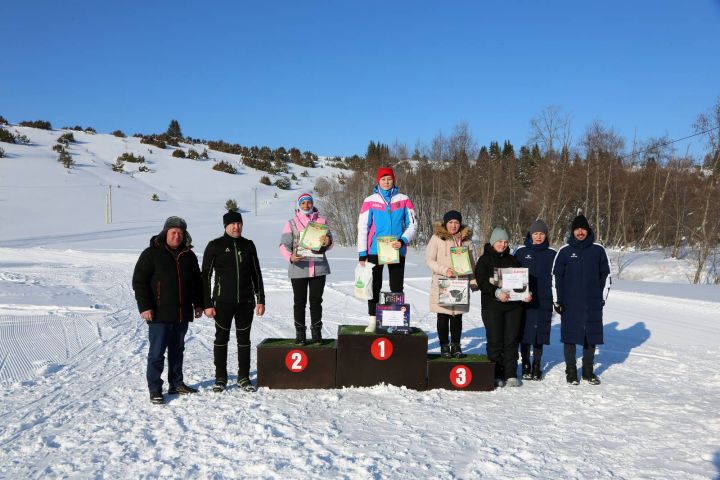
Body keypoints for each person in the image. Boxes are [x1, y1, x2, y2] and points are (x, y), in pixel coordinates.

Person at [132, 216, 203, 404]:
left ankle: (176, 383)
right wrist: (145, 306)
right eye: (173, 232)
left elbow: (197, 283)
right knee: (156, 353)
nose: (177, 236)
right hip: (159, 314)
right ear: (165, 233)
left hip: (182, 313)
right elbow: (139, 282)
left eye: (180, 233)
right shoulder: (151, 254)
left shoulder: (189, 256)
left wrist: (199, 304)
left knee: (177, 350)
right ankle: (155, 388)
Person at [201, 210, 265, 393]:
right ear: (225, 226)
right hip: (222, 302)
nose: (237, 227)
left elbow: (256, 274)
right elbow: (205, 276)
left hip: (245, 302)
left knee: (244, 339)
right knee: (221, 338)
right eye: (233, 224)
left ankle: (243, 377)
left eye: (239, 223)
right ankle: (220, 377)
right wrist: (207, 303)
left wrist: (260, 299)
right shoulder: (215, 245)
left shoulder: (248, 245)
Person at [552, 214, 611, 385]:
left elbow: (606, 276)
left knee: (590, 337)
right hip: (570, 304)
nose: (580, 232)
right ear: (572, 232)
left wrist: (602, 299)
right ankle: (571, 371)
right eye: (577, 229)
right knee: (570, 337)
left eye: (583, 229)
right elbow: (556, 277)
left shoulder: (598, 250)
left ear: (588, 231)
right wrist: (558, 301)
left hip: (592, 303)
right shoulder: (565, 251)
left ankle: (587, 371)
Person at [357, 167, 417, 332]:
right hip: (375, 250)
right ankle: (372, 320)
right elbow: (363, 227)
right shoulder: (370, 200)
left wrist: (403, 240)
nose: (386, 182)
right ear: (378, 181)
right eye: (383, 179)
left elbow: (413, 224)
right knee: (373, 286)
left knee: (396, 286)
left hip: (396, 248)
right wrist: (362, 253)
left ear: (393, 180)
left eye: (389, 179)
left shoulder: (404, 199)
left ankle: (396, 320)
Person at [474, 227, 532, 387]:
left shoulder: (513, 260)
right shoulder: (484, 260)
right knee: (495, 341)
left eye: (506, 242)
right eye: (500, 241)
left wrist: (525, 294)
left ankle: (511, 373)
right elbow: (481, 281)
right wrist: (496, 292)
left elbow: (521, 282)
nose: (503, 244)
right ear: (493, 242)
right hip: (492, 307)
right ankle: (496, 374)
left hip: (513, 308)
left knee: (511, 340)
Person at [279, 193, 333, 345]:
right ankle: (300, 333)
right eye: (303, 203)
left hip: (318, 268)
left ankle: (316, 333)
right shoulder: (291, 223)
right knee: (299, 302)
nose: (306, 206)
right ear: (299, 205)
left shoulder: (322, 221)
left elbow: (329, 242)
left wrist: (327, 241)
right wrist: (290, 257)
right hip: (299, 268)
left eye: (309, 203)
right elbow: (284, 245)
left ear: (312, 203)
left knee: (316, 302)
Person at [425, 210, 477, 358]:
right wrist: (444, 270)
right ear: (445, 223)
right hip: (443, 282)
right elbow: (429, 260)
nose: (453, 226)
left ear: (460, 224)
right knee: (443, 316)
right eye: (450, 223)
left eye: (456, 222)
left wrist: (473, 281)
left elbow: (472, 264)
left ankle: (456, 345)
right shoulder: (437, 238)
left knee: (457, 317)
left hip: (460, 283)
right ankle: (444, 345)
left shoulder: (466, 240)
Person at [514, 219, 557, 381]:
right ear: (530, 235)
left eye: (542, 234)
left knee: (540, 333)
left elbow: (558, 278)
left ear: (546, 235)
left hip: (544, 300)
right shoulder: (520, 252)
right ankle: (525, 364)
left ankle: (537, 365)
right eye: (535, 234)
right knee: (524, 332)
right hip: (524, 299)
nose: (538, 237)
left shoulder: (552, 254)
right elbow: (511, 273)